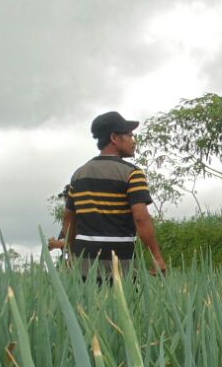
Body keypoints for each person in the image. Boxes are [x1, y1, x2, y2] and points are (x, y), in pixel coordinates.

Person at [63, 111, 169, 279]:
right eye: (129, 135)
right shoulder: (132, 173)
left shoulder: (78, 175)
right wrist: (157, 256)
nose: (134, 141)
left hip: (83, 261)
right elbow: (141, 218)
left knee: (86, 304)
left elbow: (69, 218)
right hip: (120, 261)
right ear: (114, 138)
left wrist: (69, 253)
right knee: (124, 304)